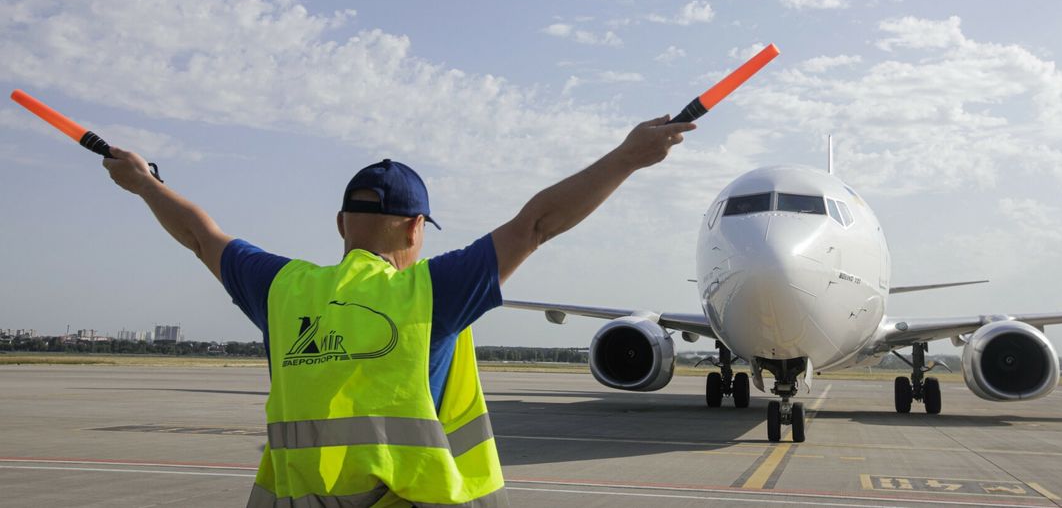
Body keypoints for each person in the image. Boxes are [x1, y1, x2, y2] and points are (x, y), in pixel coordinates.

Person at [102, 115, 696, 507]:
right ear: (416, 228)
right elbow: (537, 223)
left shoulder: (283, 289)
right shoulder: (430, 292)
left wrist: (145, 185)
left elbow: (202, 236)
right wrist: (628, 157)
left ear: (340, 224)